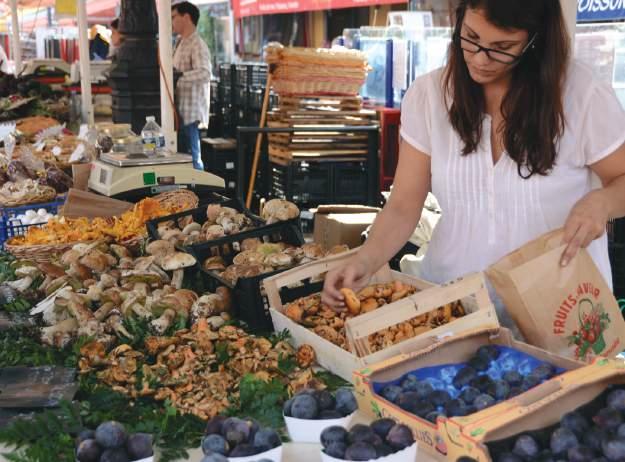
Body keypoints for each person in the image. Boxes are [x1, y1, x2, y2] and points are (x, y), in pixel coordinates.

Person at [322, 0, 625, 336]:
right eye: (471, 37)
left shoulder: (581, 95)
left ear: (536, 41)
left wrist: (602, 202)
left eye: (502, 47)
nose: (480, 59)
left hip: (559, 314)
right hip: (455, 311)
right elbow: (404, 205)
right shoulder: (430, 96)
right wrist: (364, 260)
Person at [171, 1, 211, 170]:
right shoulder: (180, 42)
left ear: (186, 17)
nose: (171, 21)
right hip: (179, 111)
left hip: (190, 113)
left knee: (192, 160)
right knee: (183, 159)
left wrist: (180, 77)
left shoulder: (197, 44)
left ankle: (198, 186)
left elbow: (205, 73)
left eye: (174, 17)